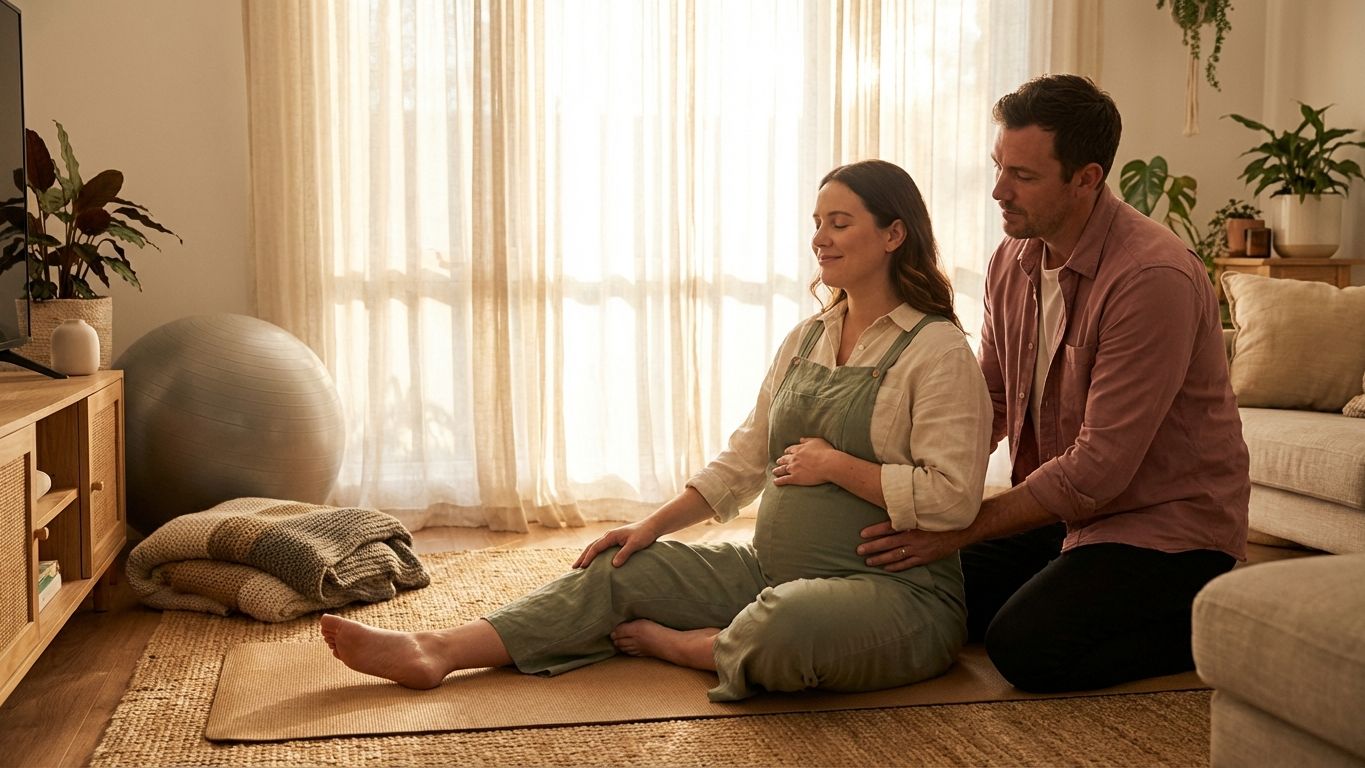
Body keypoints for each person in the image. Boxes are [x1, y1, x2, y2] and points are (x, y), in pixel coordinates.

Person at [320, 159, 993, 701]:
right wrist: (651, 526)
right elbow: (745, 457)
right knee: (622, 568)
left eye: (839, 222)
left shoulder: (935, 351)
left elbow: (952, 497)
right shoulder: (806, 337)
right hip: (770, 570)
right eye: (817, 222)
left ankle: (691, 646)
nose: (819, 236)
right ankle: (438, 650)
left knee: (788, 623)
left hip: (895, 597)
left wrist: (835, 465)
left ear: (892, 234)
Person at [855, 74, 1250, 693]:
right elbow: (988, 398)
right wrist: (913, 490)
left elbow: (1099, 467)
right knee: (922, 588)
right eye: (999, 166)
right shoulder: (1011, 261)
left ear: (1087, 178)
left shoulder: (1152, 278)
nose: (998, 191)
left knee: (1025, 648)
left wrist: (962, 526)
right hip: (1067, 517)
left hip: (1167, 532)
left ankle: (1222, 617)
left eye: (1024, 177)